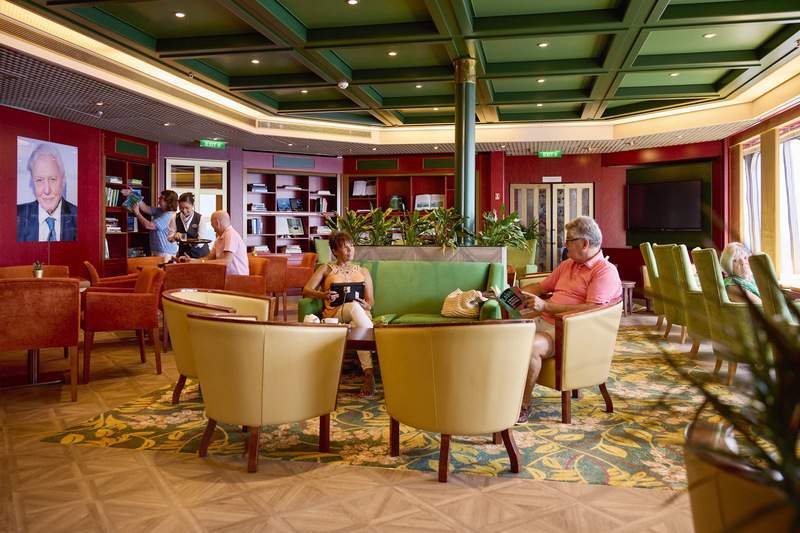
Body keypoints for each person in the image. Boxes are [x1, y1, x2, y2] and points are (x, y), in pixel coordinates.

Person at [516, 216, 622, 423]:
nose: (565, 245)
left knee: (530, 346)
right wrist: (519, 294)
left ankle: (523, 405)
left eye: (569, 240)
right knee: (502, 332)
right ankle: (499, 395)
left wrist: (546, 306)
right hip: (545, 319)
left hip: (570, 331)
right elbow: (541, 287)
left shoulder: (604, 271)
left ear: (585, 243)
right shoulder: (567, 265)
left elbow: (591, 309)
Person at [303, 232, 376, 396]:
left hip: (361, 316)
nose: (350, 250)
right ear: (335, 251)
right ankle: (376, 339)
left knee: (357, 321)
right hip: (336, 313)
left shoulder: (363, 271)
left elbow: (370, 301)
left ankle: (369, 374)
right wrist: (323, 295)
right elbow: (306, 290)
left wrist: (366, 305)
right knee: (353, 307)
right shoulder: (325, 269)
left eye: (352, 246)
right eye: (345, 247)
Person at [16, 143, 77, 242]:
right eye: (39, 180)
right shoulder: (16, 216)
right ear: (32, 183)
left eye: (52, 179)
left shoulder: (78, 217)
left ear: (63, 180)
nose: (47, 190)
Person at [179, 210, 249, 276]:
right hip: (225, 277)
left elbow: (226, 262)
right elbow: (209, 258)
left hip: (238, 278)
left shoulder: (230, 234)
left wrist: (201, 262)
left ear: (217, 223)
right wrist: (193, 261)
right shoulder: (219, 238)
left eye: (212, 225)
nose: (213, 229)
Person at [124, 188, 178, 259]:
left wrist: (137, 213)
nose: (159, 199)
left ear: (168, 201)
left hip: (166, 252)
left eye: (161, 198)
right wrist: (133, 194)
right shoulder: (161, 210)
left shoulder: (169, 215)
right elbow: (145, 208)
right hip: (158, 250)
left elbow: (149, 226)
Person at [170, 192, 209, 258]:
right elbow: (170, 238)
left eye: (187, 208)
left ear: (193, 205)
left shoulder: (200, 218)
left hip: (200, 254)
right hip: (183, 254)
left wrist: (182, 237)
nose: (184, 210)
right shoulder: (175, 217)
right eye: (181, 208)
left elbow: (201, 241)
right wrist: (175, 236)